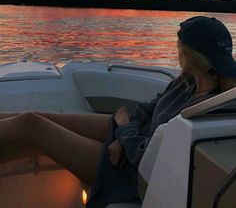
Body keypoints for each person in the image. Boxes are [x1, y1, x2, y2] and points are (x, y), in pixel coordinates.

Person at [0, 16, 236, 207]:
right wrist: (123, 132)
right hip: (129, 140)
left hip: (127, 171)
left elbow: (147, 158)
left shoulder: (201, 109)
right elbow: (149, 109)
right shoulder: (186, 83)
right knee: (42, 117)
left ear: (188, 53)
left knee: (31, 124)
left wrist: (123, 128)